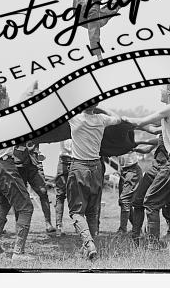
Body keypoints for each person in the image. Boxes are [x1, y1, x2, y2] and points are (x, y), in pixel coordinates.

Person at [123, 84, 170, 246]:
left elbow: (142, 121)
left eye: (163, 89)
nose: (161, 91)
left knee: (151, 203)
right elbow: (153, 129)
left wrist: (120, 119)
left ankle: (152, 246)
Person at [0, 85, 36, 261]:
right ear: (3, 100)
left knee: (3, 203)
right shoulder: (6, 118)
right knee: (26, 207)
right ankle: (18, 252)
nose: (10, 100)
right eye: (8, 97)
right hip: (3, 167)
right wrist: (30, 91)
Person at [67, 101, 123, 259]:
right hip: (97, 168)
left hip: (79, 167)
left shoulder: (75, 119)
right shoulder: (102, 119)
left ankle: (88, 243)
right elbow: (118, 119)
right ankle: (89, 248)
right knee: (92, 211)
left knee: (76, 211)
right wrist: (102, 108)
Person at [14, 143, 56, 233]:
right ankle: (19, 224)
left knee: (43, 191)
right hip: (18, 165)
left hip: (33, 165)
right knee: (19, 196)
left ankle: (48, 223)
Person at [115, 150, 143, 234]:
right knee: (124, 202)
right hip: (124, 171)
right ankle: (137, 229)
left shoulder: (129, 142)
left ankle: (122, 230)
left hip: (132, 170)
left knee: (125, 201)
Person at [54, 138, 72, 235]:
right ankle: (59, 226)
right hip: (67, 159)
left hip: (72, 160)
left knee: (75, 195)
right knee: (60, 195)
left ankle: (59, 226)